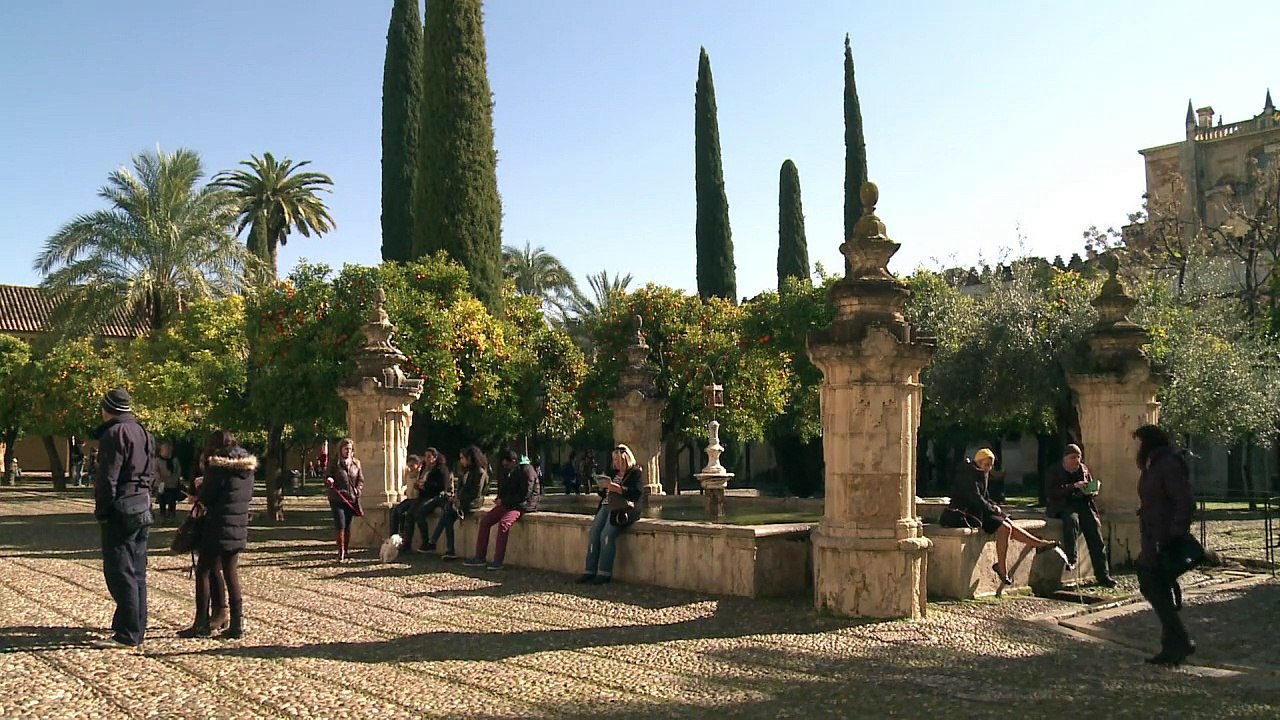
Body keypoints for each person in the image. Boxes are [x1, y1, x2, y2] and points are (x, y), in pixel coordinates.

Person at [940, 448, 1062, 586]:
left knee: (1008, 522)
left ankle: (1038, 544)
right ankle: (1004, 567)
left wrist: (994, 506)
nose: (989, 468)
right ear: (978, 462)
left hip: (978, 510)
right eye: (986, 465)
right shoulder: (968, 474)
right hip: (966, 513)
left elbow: (984, 497)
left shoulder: (982, 473)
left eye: (990, 465)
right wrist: (992, 508)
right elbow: (974, 498)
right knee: (1004, 528)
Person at [91, 387, 154, 649]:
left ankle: (128, 632)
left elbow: (108, 477)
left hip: (122, 508)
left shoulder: (114, 434)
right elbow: (150, 471)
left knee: (119, 570)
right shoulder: (143, 432)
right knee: (137, 570)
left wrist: (103, 510)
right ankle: (135, 626)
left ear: (107, 410)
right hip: (142, 505)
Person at [178, 430, 254, 639]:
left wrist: (198, 494)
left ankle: (201, 622)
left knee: (203, 570)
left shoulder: (217, 467)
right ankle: (236, 622)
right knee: (230, 572)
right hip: (238, 526)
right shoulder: (247, 468)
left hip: (217, 525)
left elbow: (208, 497)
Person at [1133, 424, 1197, 666]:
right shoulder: (1153, 464)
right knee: (1157, 586)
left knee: (1150, 581)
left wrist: (1174, 533)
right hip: (1153, 535)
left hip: (1163, 538)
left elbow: (1184, 500)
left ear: (1148, 442)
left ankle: (1180, 640)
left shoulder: (1167, 463)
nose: (1134, 448)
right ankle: (1172, 647)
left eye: (1137, 442)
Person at [1045, 444, 1116, 587]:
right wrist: (1073, 486)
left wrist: (1091, 490)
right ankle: (1071, 558)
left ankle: (1103, 575)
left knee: (1095, 535)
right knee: (1071, 521)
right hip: (1064, 505)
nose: (1076, 460)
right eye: (1073, 457)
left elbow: (1089, 483)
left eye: (1078, 457)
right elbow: (1051, 492)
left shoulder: (1083, 469)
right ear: (1065, 458)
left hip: (1083, 504)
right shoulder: (1055, 470)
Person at [577, 444, 646, 585]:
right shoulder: (613, 473)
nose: (615, 463)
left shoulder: (635, 473)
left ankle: (604, 572)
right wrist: (603, 488)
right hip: (607, 505)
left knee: (606, 536)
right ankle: (589, 570)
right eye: (614, 460)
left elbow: (637, 493)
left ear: (626, 460)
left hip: (621, 509)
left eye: (618, 461)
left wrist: (619, 489)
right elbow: (606, 494)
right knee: (594, 534)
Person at [465, 449, 538, 570]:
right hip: (510, 503)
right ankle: (480, 557)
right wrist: (500, 498)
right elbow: (506, 488)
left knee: (504, 523)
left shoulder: (527, 470)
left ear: (514, 461)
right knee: (485, 521)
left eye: (507, 464)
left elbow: (525, 494)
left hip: (523, 505)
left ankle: (498, 560)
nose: (505, 466)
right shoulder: (511, 470)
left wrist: (504, 501)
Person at [430, 445, 489, 560]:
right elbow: (461, 490)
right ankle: (443, 546)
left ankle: (436, 542)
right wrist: (455, 498)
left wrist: (459, 500)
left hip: (472, 503)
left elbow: (475, 493)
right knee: (447, 515)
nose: (461, 460)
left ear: (470, 458)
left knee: (447, 515)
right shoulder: (466, 472)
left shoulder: (479, 473)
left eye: (463, 458)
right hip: (462, 502)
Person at [325, 438, 363, 562]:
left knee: (347, 525)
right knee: (340, 524)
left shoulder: (356, 463)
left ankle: (346, 550)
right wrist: (330, 480)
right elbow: (327, 476)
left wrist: (358, 489)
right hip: (337, 497)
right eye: (345, 449)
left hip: (351, 498)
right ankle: (340, 552)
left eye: (350, 449)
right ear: (340, 450)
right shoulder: (334, 463)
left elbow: (360, 480)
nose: (348, 451)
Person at [412, 448, 452, 553]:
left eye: (429, 456)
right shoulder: (425, 468)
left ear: (435, 457)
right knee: (407, 511)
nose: (427, 459)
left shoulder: (442, 469)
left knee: (420, 513)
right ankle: (406, 541)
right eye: (425, 457)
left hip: (434, 496)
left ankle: (426, 542)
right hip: (423, 496)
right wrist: (418, 485)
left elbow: (443, 486)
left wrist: (425, 485)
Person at [391, 454, 424, 542]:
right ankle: (393, 534)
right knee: (396, 510)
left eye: (413, 466)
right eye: (409, 466)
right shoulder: (408, 475)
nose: (411, 468)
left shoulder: (419, 475)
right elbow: (405, 485)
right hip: (409, 498)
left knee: (406, 513)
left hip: (416, 499)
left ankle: (403, 534)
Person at [155, 441, 184, 523]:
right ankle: (162, 516)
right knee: (162, 501)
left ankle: (172, 515)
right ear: (161, 450)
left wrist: (176, 477)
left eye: (168, 449)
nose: (167, 451)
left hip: (172, 484)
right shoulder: (157, 460)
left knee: (172, 500)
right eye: (165, 449)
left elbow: (178, 469)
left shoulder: (174, 459)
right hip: (162, 484)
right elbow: (154, 470)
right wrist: (159, 477)